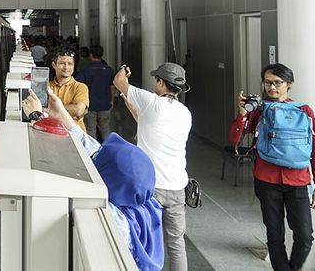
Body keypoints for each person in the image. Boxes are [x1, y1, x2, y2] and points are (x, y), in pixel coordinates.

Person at [23, 91, 164, 271]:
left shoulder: (118, 221)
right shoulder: (143, 200)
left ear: (111, 182)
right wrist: (60, 115)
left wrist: (37, 117)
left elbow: (75, 191)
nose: (95, 159)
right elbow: (93, 149)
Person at [229, 63, 315, 271]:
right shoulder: (259, 111)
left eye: (278, 83)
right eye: (268, 82)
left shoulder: (304, 110)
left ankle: (294, 267)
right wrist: (243, 114)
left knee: (305, 236)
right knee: (274, 234)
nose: (272, 87)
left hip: (299, 181)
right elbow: (235, 137)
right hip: (267, 181)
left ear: (288, 84)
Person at [114, 62, 192, 271]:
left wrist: (124, 71)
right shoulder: (185, 113)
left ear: (160, 82)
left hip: (152, 189)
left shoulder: (152, 102)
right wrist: (131, 104)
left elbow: (118, 82)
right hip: (177, 188)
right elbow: (146, 122)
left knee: (146, 242)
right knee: (176, 245)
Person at [78, 45, 115, 141]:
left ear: (91, 55)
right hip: (105, 103)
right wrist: (112, 100)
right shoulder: (108, 69)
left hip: (91, 104)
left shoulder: (85, 69)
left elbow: (81, 86)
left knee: (91, 129)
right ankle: (108, 149)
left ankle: (94, 152)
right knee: (105, 128)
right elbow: (112, 87)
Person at [48, 49, 89, 132]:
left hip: (75, 137)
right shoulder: (46, 87)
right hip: (51, 134)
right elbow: (39, 111)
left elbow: (78, 110)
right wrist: (69, 110)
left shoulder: (80, 87)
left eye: (70, 64)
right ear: (54, 65)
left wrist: (49, 109)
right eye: (62, 63)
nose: (66, 67)